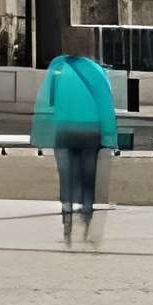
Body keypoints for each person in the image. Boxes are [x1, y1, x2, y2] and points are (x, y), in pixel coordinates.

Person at [31, 47, 119, 244]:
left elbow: (50, 101)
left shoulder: (57, 67)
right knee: (88, 177)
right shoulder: (97, 71)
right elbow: (106, 104)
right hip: (90, 133)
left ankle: (67, 220)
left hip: (64, 131)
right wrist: (109, 136)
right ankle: (86, 219)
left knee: (66, 177)